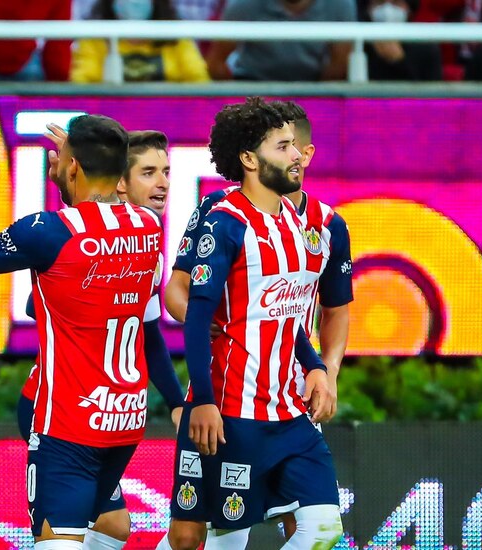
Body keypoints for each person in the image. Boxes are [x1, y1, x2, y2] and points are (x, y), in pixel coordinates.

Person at [0, 115, 163, 550]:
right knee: (105, 531)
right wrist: (77, 163)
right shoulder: (147, 227)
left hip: (67, 423)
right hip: (123, 421)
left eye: (62, 160)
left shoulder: (45, 231)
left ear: (75, 167)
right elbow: (93, 219)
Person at [156, 98, 342, 550]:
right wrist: (202, 399)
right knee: (212, 538)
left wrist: (316, 365)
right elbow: (198, 316)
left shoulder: (300, 227)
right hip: (233, 413)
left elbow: (284, 316)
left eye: (295, 146)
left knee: (324, 531)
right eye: (284, 147)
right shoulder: (224, 223)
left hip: (292, 415)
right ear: (249, 160)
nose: (298, 154)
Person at [14, 130, 185, 550]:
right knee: (93, 529)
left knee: (113, 527)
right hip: (58, 409)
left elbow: (149, 335)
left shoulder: (147, 240)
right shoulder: (80, 237)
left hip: (109, 416)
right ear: (119, 183)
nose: (162, 182)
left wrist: (177, 401)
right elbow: (37, 309)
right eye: (149, 172)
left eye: (166, 171)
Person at [205, 0, 357, 81]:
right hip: (252, 88)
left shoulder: (341, 5)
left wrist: (318, 98)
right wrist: (240, 102)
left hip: (312, 89)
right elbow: (216, 63)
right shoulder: (243, 4)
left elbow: (340, 64)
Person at [70, 0, 210, 83]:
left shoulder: (176, 38)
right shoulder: (94, 39)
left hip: (169, 119)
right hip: (109, 120)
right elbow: (82, 85)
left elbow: (199, 83)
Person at [363, 0, 443, 81]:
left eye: (396, 3)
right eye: (379, 3)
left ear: (409, 9)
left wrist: (399, 62)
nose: (387, 10)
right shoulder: (358, 44)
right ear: (368, 8)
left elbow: (431, 90)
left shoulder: (426, 48)